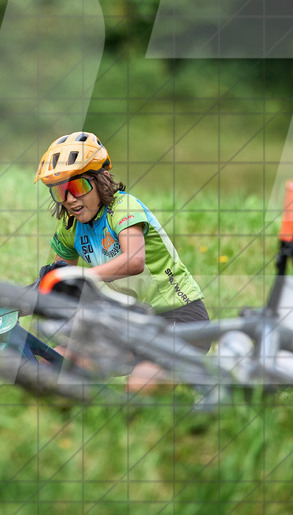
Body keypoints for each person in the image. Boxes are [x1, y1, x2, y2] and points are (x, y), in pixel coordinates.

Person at [33, 131, 210, 391]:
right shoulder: (71, 227)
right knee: (52, 362)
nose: (70, 199)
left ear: (100, 180)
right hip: (130, 322)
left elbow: (134, 260)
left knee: (140, 385)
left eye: (77, 187)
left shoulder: (124, 207)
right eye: (60, 191)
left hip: (179, 315)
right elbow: (60, 285)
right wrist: (9, 304)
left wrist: (80, 277)